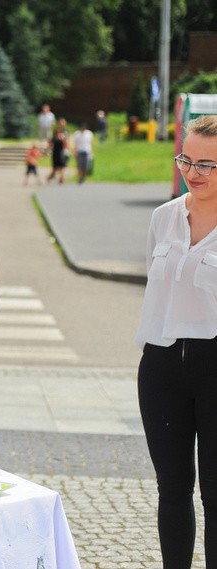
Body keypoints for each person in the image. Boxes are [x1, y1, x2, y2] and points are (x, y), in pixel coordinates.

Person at [136, 115, 217, 569]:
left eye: (208, 164)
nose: (194, 172)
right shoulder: (163, 218)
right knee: (172, 487)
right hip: (162, 365)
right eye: (187, 159)